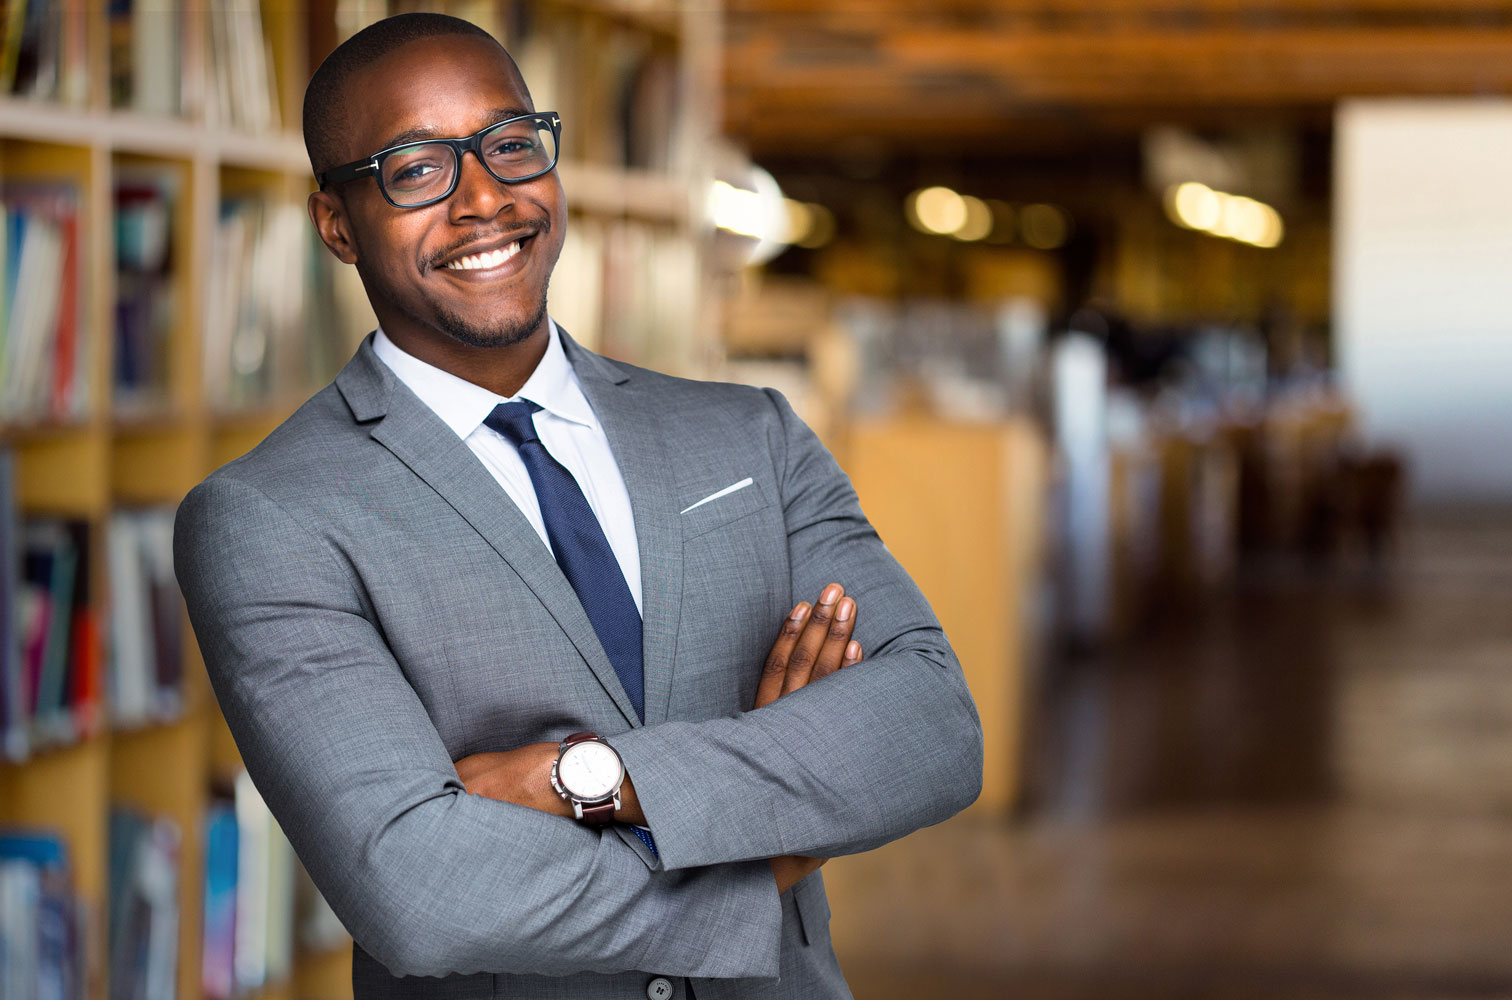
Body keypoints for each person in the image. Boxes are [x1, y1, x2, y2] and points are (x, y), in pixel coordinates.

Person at [172, 13, 983, 1000]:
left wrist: (586, 778)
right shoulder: (268, 516)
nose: (484, 197)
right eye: (415, 167)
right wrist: (777, 845)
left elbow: (932, 725)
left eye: (510, 144)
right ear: (337, 225)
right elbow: (419, 888)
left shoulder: (749, 437)